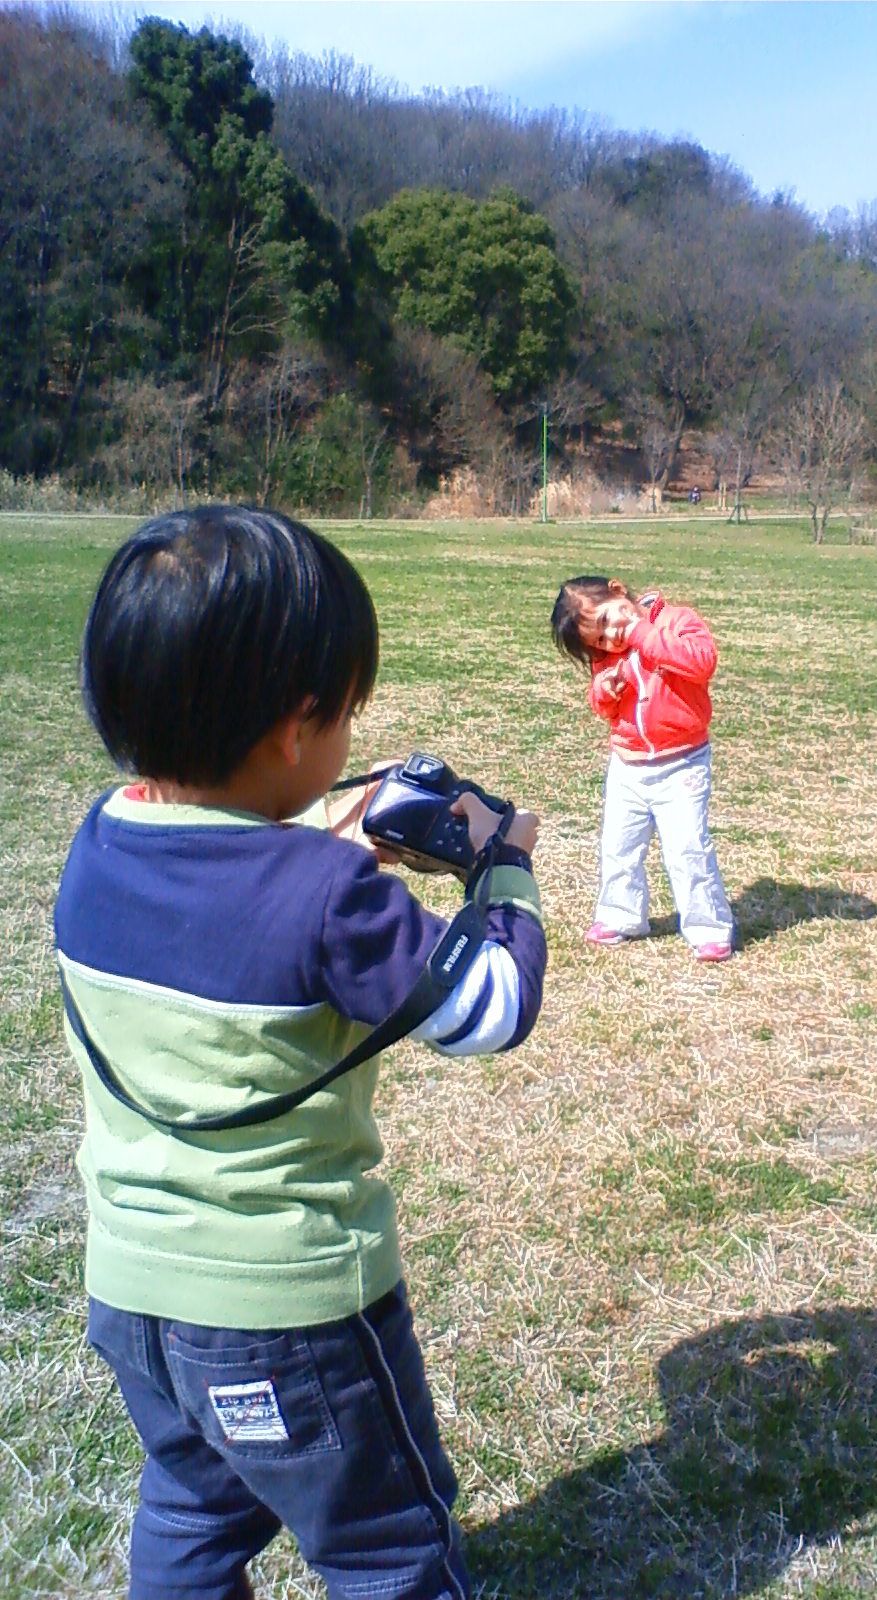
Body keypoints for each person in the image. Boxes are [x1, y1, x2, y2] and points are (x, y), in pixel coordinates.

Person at [54, 505, 546, 1600]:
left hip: (134, 1303)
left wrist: (329, 823)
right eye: (344, 716)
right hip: (290, 1320)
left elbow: (217, 877)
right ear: (296, 728)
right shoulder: (329, 896)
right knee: (387, 1547)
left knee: (191, 1506)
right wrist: (502, 871)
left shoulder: (97, 842)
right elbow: (491, 1005)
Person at [550, 574, 735, 962]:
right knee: (619, 846)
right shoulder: (607, 657)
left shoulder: (676, 622)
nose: (611, 637)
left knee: (687, 848)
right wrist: (605, 690)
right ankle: (621, 915)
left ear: (619, 591)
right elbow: (601, 704)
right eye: (598, 640)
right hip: (628, 766)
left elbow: (702, 662)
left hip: (682, 761)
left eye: (606, 621)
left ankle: (708, 927)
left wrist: (642, 634)